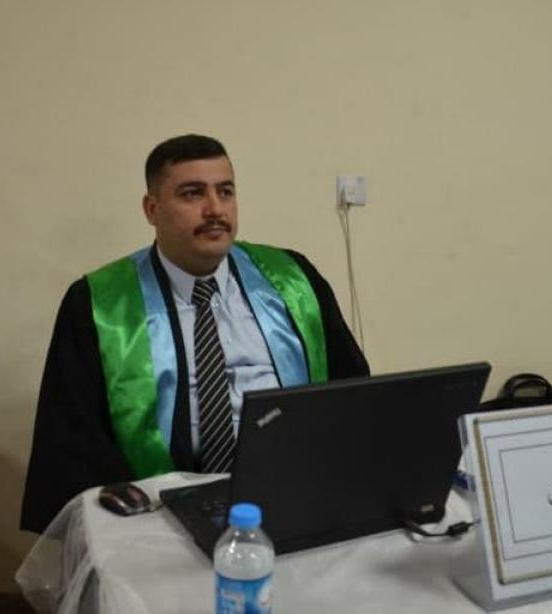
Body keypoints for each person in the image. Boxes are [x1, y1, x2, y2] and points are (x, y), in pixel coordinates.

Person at [20, 134, 369, 532]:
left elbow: (351, 395)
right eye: (192, 194)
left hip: (295, 494)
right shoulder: (99, 305)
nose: (215, 209)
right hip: (160, 514)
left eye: (225, 191)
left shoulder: (293, 281)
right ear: (152, 209)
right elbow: (75, 442)